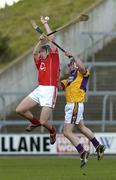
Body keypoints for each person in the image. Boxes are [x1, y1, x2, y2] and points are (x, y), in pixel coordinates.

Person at [16, 16, 60, 145]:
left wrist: (45, 23)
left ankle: (52, 130)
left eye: (42, 52)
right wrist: (40, 41)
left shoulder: (53, 58)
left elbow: (52, 38)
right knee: (20, 110)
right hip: (40, 88)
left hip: (50, 90)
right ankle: (33, 122)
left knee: (43, 122)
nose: (39, 54)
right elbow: (34, 53)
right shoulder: (40, 62)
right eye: (40, 52)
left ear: (48, 52)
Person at [59, 52, 105, 167]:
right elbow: (59, 86)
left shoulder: (82, 73)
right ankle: (98, 146)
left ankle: (82, 152)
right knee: (81, 128)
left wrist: (73, 55)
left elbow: (82, 67)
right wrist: (55, 72)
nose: (69, 67)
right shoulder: (69, 79)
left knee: (66, 132)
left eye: (71, 65)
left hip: (75, 104)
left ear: (75, 65)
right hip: (73, 105)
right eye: (69, 65)